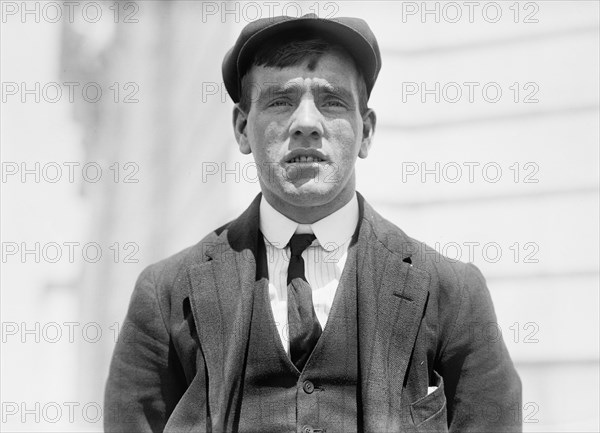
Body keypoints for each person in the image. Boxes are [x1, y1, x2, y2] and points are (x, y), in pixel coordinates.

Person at [104, 13, 521, 433]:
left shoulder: (450, 294)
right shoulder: (165, 296)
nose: (306, 123)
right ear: (242, 128)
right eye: (280, 101)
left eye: (332, 100)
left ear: (367, 132)